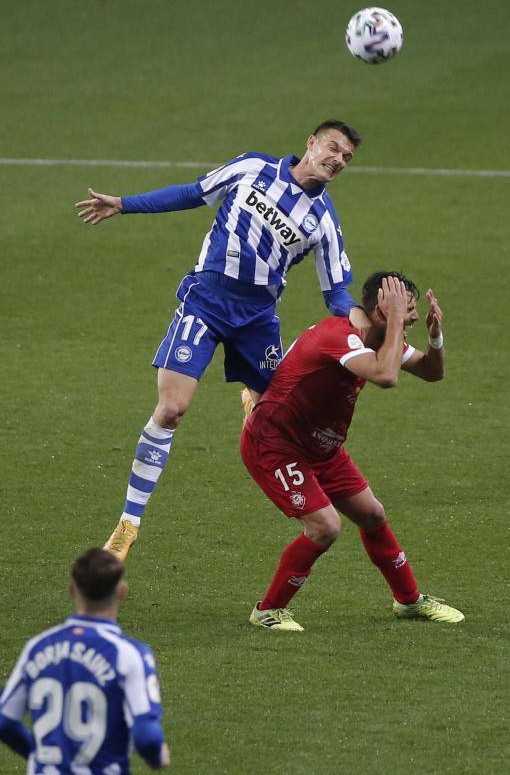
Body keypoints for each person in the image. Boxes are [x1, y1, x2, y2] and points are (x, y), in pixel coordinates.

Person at [75, 120, 367, 561]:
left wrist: (369, 322)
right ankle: (128, 525)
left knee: (288, 419)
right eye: (333, 148)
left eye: (346, 157)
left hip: (257, 322)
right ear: (310, 143)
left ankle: (324, 488)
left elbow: (336, 294)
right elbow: (194, 193)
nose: (337, 160)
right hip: (206, 302)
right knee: (171, 410)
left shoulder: (324, 221)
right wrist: (124, 204)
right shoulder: (251, 168)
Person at [240, 272, 464, 631]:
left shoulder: (378, 337)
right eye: (405, 310)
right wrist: (394, 323)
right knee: (325, 527)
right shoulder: (338, 336)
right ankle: (267, 610)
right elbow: (386, 376)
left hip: (321, 448)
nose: (411, 318)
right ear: (380, 310)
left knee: (373, 515)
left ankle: (409, 602)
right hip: (276, 445)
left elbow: (431, 372)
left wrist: (435, 337)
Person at [0, 548, 171, 772]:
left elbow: (4, 721)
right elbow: (147, 737)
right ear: (121, 591)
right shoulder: (129, 655)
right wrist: (157, 757)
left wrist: (38, 754)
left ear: (72, 590)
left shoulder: (37, 647)